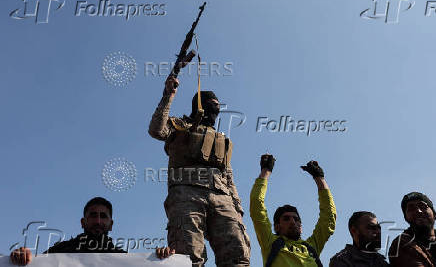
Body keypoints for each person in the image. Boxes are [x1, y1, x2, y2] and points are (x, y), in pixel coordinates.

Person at [148, 76, 250, 266]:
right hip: (187, 195)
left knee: (237, 255)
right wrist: (168, 95)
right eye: (211, 106)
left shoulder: (219, 138)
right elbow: (156, 130)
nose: (215, 111)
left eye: (218, 107)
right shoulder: (180, 126)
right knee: (188, 257)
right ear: (199, 107)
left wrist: (238, 208)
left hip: (223, 198)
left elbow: (228, 174)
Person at [10, 197, 174, 265]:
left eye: (103, 217)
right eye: (93, 216)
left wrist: (161, 259)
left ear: (111, 224)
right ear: (83, 222)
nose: (98, 221)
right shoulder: (60, 251)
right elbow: (37, 264)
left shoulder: (123, 259)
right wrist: (23, 257)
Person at [250, 154, 336, 267]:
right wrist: (266, 171)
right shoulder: (270, 242)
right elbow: (257, 205)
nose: (292, 222)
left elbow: (328, 218)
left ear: (301, 225)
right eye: (286, 219)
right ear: (277, 227)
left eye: (296, 219)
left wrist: (319, 178)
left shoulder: (311, 246)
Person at [388, 192, 436, 267]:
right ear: (406, 218)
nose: (418, 211)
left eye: (422, 206)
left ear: (434, 213)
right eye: (411, 209)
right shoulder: (402, 244)